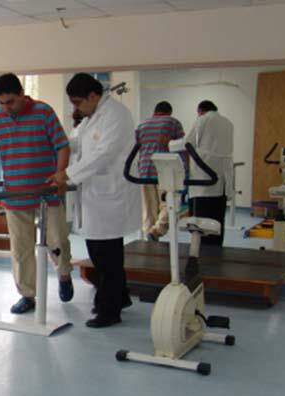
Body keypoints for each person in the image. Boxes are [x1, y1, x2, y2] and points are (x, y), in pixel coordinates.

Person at [0, 73, 73, 315]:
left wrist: (60, 173)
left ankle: (63, 273)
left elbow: (62, 146)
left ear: (21, 94)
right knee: (21, 249)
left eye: (10, 102)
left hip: (47, 191)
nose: (6, 107)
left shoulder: (43, 112)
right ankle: (27, 295)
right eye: (1, 103)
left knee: (58, 241)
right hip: (15, 193)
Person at [49, 73, 140, 328]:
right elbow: (77, 143)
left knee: (106, 257)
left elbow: (104, 153)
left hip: (110, 196)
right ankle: (120, 297)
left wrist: (67, 174)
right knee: (102, 254)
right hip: (95, 196)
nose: (76, 108)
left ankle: (109, 311)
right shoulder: (92, 117)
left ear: (93, 95)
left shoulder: (116, 115)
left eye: (78, 102)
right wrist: (55, 144)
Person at [170, 100, 233, 246]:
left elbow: (187, 142)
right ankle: (216, 250)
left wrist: (169, 144)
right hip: (222, 181)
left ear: (200, 111)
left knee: (200, 222)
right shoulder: (228, 123)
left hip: (204, 180)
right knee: (217, 220)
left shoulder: (203, 119)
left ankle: (202, 252)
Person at [136, 101, 185, 241]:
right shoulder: (173, 122)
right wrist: (186, 170)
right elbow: (183, 146)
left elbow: (136, 147)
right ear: (169, 112)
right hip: (165, 170)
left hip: (144, 171)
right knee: (170, 204)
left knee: (149, 208)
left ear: (155, 111)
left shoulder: (142, 125)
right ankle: (157, 230)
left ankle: (149, 239)